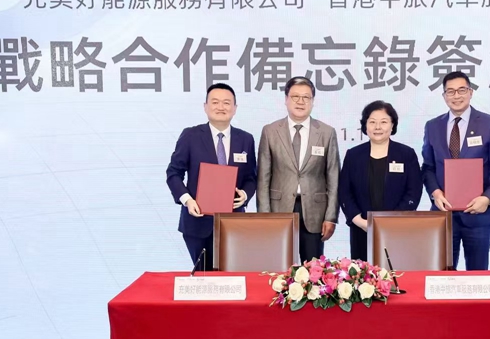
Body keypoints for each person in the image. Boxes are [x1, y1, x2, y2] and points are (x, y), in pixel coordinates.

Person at [421, 71, 490, 271]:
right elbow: (427, 168)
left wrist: (487, 198)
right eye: (450, 91)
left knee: (477, 277)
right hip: (443, 216)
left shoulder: (489, 124)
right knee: (443, 278)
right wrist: (435, 193)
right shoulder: (432, 126)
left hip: (478, 215)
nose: (456, 96)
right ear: (444, 96)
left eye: (461, 90)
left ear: (470, 92)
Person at [166, 83, 257, 270]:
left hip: (234, 222)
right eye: (215, 102)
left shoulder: (245, 139)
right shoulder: (190, 136)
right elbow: (173, 173)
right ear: (205, 107)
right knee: (203, 278)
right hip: (198, 221)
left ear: (235, 108)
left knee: (233, 278)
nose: (221, 107)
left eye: (226, 103)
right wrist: (187, 200)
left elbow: (251, 177)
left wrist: (245, 195)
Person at [257, 76, 340, 263]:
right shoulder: (270, 131)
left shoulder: (327, 132)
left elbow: (333, 178)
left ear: (313, 101)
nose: (300, 102)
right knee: (280, 268)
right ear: (286, 99)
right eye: (295, 96)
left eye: (306, 97)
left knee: (313, 270)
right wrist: (264, 216)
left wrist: (331, 217)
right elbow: (263, 178)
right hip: (279, 210)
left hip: (315, 212)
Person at [339, 101, 422, 261]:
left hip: (397, 229)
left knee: (396, 272)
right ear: (365, 125)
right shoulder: (353, 155)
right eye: (372, 122)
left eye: (383, 122)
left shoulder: (406, 154)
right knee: (363, 274)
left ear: (392, 125)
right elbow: (344, 192)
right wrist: (359, 221)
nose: (378, 127)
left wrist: (392, 220)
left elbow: (414, 191)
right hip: (362, 229)